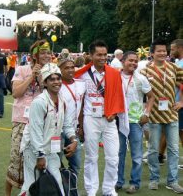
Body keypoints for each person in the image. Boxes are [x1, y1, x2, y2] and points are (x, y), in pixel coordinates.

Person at [75, 40, 125, 196]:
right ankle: (91, 190)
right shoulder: (82, 74)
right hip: (91, 118)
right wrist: (80, 124)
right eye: (99, 55)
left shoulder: (114, 73)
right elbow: (79, 99)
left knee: (113, 157)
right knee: (91, 156)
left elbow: (119, 96)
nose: (102, 58)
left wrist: (115, 112)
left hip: (109, 119)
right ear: (91, 55)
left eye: (105, 54)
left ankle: (109, 189)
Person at [19, 63, 78, 196]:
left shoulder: (62, 101)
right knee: (30, 187)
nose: (56, 82)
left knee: (57, 183)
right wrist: (40, 155)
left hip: (52, 149)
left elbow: (67, 124)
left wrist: (73, 139)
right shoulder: (39, 102)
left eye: (58, 78)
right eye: (52, 79)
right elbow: (35, 131)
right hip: (33, 150)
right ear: (45, 83)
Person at [5, 40, 52, 196]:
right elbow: (16, 93)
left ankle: (33, 191)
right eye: (43, 52)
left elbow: (51, 94)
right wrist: (31, 76)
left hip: (41, 121)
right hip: (21, 120)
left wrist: (40, 79)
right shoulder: (22, 69)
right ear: (34, 55)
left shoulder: (51, 71)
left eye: (48, 52)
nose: (46, 55)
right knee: (16, 159)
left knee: (39, 159)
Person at [139, 38, 183, 193]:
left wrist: (181, 102)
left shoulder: (174, 68)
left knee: (174, 150)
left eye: (164, 50)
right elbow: (139, 93)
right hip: (154, 116)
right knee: (152, 150)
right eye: (159, 51)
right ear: (152, 53)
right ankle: (154, 179)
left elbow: (182, 84)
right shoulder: (144, 71)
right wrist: (143, 111)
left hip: (171, 114)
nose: (163, 53)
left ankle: (172, 181)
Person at [115, 51, 155, 194]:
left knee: (137, 155)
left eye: (135, 61)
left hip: (135, 121)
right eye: (130, 60)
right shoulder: (115, 76)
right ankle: (118, 182)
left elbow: (151, 97)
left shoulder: (141, 78)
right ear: (122, 61)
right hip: (117, 120)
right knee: (118, 153)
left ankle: (135, 183)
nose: (133, 63)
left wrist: (146, 113)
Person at [58, 55, 85, 174]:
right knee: (56, 163)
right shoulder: (56, 85)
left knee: (76, 164)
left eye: (72, 67)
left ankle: (72, 190)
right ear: (60, 70)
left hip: (73, 130)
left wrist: (81, 126)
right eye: (66, 68)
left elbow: (82, 106)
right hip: (57, 130)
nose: (70, 70)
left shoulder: (81, 84)